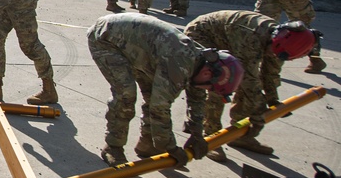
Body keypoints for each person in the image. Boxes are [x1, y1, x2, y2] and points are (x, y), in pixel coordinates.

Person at [88, 13, 243, 167]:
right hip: (106, 39)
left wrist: (197, 133)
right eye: (211, 88)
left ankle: (147, 144)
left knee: (150, 93)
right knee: (126, 95)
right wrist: (170, 147)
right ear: (207, 74)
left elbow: (197, 98)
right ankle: (113, 147)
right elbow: (159, 108)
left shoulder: (201, 63)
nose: (208, 90)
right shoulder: (180, 63)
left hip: (139, 46)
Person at [185, 10, 318, 161]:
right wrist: (260, 107)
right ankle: (211, 137)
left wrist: (273, 100)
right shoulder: (252, 37)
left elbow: (270, 74)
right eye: (272, 52)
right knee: (219, 85)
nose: (272, 55)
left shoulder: (281, 44)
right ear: (274, 41)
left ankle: (240, 135)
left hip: (231, 40)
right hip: (203, 35)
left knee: (248, 92)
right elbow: (248, 78)